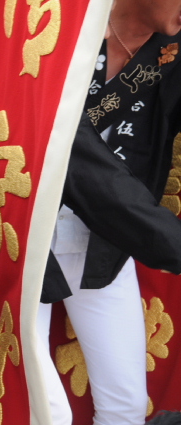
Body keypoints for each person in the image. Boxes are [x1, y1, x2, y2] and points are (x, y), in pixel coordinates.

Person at [38, 0, 181, 424]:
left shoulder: (172, 51)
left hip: (108, 241)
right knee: (43, 408)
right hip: (22, 238)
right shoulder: (50, 25)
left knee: (126, 405)